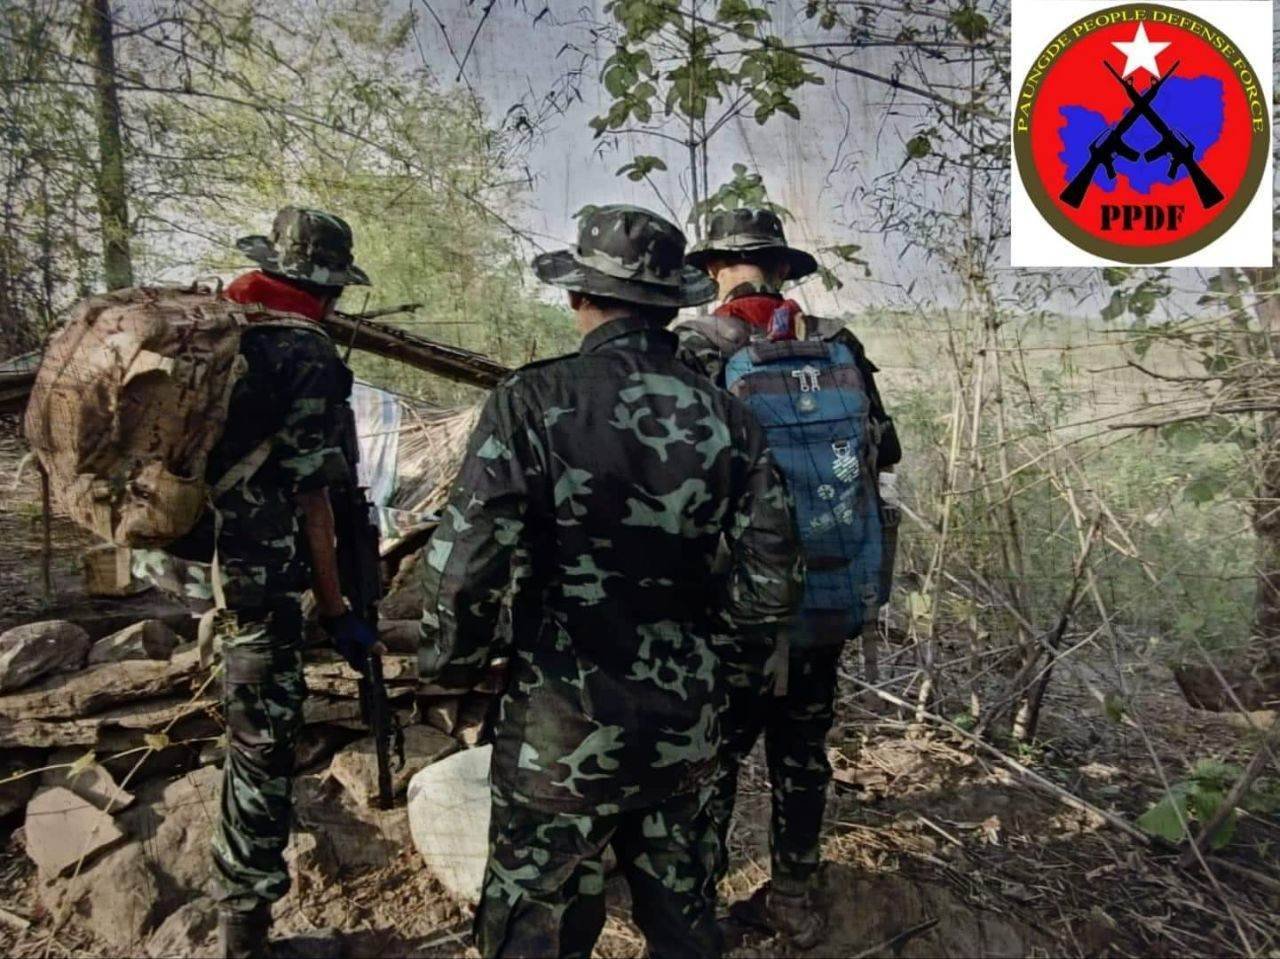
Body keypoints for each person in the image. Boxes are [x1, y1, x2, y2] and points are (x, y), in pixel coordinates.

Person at [419, 204, 803, 959]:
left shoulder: (530, 401)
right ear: (670, 305)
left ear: (577, 295)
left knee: (534, 932)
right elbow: (772, 583)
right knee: (684, 928)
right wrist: (715, 675)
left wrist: (452, 667)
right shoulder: (729, 418)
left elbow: (464, 565)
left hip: (557, 732)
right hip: (684, 731)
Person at [139, 207, 381, 958]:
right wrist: (337, 608)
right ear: (327, 288)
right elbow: (314, 499)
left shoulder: (219, 324)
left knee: (245, 726)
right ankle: (245, 937)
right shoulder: (301, 350)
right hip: (255, 575)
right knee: (261, 745)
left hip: (186, 559)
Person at [674, 207, 901, 946]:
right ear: (781, 269)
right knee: (802, 753)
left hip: (735, 603)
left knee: (715, 759)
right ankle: (795, 896)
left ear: (715, 269)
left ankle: (697, 908)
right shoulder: (837, 344)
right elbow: (885, 450)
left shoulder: (695, 348)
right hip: (827, 591)